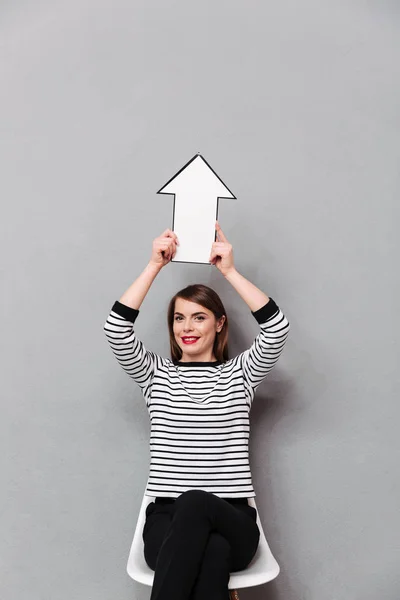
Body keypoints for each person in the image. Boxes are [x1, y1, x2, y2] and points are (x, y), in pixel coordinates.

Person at [103, 221, 290, 600]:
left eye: (199, 316)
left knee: (196, 504)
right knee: (212, 551)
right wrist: (154, 265)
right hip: (165, 526)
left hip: (234, 520)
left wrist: (229, 271)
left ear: (220, 324)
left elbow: (277, 329)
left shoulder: (241, 373)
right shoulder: (156, 375)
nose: (187, 327)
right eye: (178, 317)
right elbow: (116, 329)